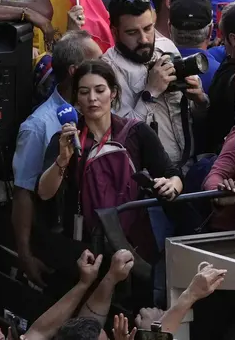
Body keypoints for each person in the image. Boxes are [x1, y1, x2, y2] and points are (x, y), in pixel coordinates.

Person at [37, 59, 182, 262]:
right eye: (84, 92)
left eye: (99, 90)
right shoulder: (66, 140)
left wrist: (172, 186)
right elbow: (44, 193)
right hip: (85, 244)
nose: (92, 99)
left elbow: (172, 174)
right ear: (76, 98)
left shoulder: (136, 132)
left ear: (113, 93)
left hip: (134, 241)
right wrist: (62, 159)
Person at [9, 30, 101, 285]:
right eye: (97, 62)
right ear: (75, 71)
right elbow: (23, 192)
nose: (105, 66)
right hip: (58, 240)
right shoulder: (39, 126)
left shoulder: (103, 107)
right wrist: (25, 253)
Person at [100, 0, 202, 170]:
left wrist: (199, 99)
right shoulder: (106, 72)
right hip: (149, 179)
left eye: (148, 28)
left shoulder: (167, 47)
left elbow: (192, 114)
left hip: (188, 167)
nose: (144, 39)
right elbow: (122, 138)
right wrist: (150, 93)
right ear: (114, 33)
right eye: (132, 33)